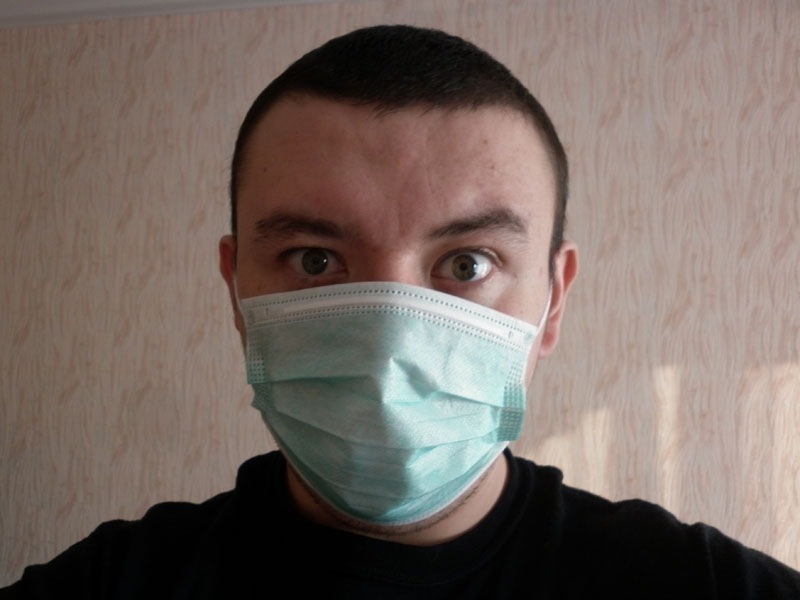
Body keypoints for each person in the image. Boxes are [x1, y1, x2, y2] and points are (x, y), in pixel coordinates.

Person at [2, 24, 799, 599]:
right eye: (315, 260)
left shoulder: (704, 589)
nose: (389, 345)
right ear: (236, 290)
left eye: (467, 264)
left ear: (554, 300)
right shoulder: (106, 589)